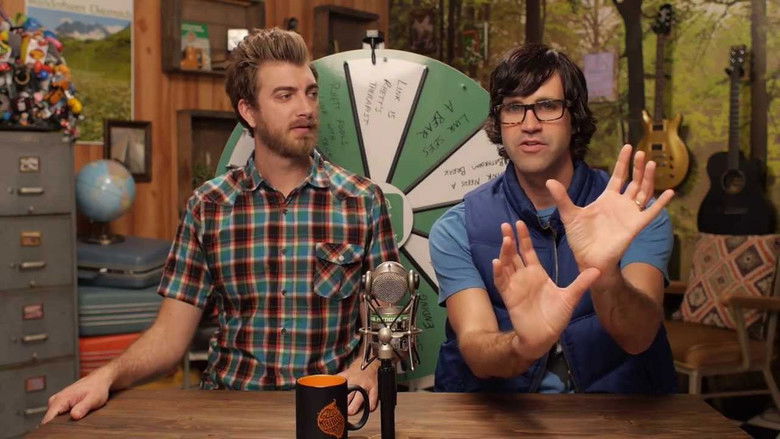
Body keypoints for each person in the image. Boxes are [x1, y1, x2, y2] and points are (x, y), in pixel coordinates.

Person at [43, 28, 398, 423]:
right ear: (249, 111)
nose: (306, 108)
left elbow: (390, 320)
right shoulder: (209, 206)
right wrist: (106, 376)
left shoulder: (362, 201)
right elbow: (169, 338)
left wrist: (366, 367)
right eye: (285, 96)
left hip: (325, 412)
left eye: (310, 93)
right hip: (228, 408)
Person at [429, 43, 677, 393]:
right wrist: (523, 345)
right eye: (514, 108)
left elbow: (638, 338)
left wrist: (606, 274)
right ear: (499, 121)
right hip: (502, 415)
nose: (529, 124)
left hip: (616, 411)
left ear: (575, 118)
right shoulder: (457, 228)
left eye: (547, 106)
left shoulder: (635, 214)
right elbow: (475, 348)